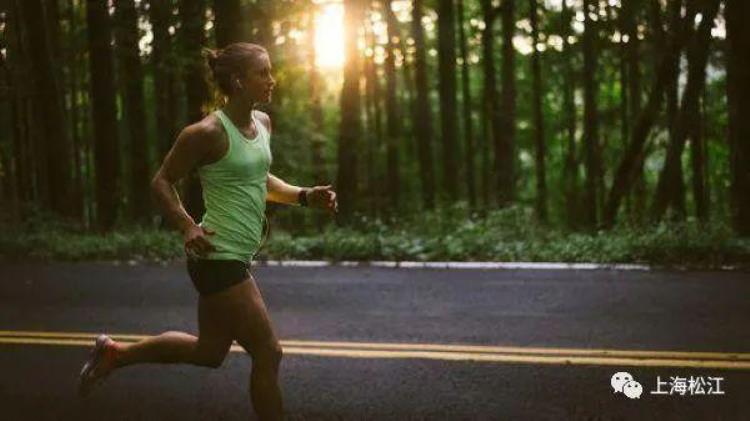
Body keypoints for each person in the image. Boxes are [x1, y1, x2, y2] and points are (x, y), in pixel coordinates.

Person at [77, 42, 338, 421]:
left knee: (209, 353)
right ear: (238, 80)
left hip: (234, 256)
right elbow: (162, 181)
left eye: (270, 70)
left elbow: (257, 178)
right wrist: (186, 225)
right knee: (269, 353)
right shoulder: (206, 132)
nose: (272, 79)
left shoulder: (262, 123)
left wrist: (303, 195)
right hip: (218, 255)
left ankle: (115, 355)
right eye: (262, 72)